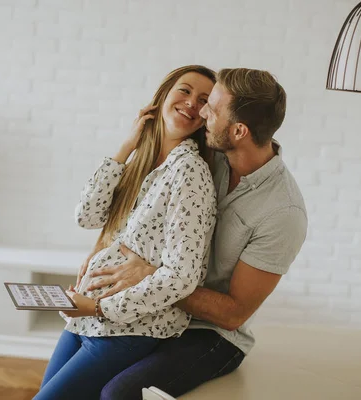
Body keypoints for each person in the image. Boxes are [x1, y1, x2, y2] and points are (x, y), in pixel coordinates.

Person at [89, 68, 309, 399]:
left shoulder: (283, 214)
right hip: (160, 307)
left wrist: (151, 276)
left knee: (118, 393)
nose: (202, 111)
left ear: (238, 130)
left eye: (212, 107)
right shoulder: (205, 155)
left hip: (212, 335)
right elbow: (131, 210)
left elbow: (233, 314)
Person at [33, 65, 218, 400]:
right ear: (162, 96)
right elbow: (86, 216)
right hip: (86, 317)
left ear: (207, 117)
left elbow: (181, 277)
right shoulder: (141, 164)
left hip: (129, 326)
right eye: (185, 90)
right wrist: (127, 146)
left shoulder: (189, 173)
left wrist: (98, 308)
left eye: (203, 100)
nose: (192, 102)